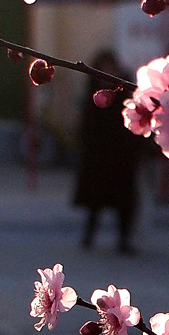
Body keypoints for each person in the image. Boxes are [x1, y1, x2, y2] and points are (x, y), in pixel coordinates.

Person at [71, 48, 144, 253]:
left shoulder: (123, 92)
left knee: (123, 203)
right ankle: (89, 236)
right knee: (95, 203)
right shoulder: (92, 94)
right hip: (98, 157)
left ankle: (123, 239)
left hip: (121, 157)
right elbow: (86, 127)